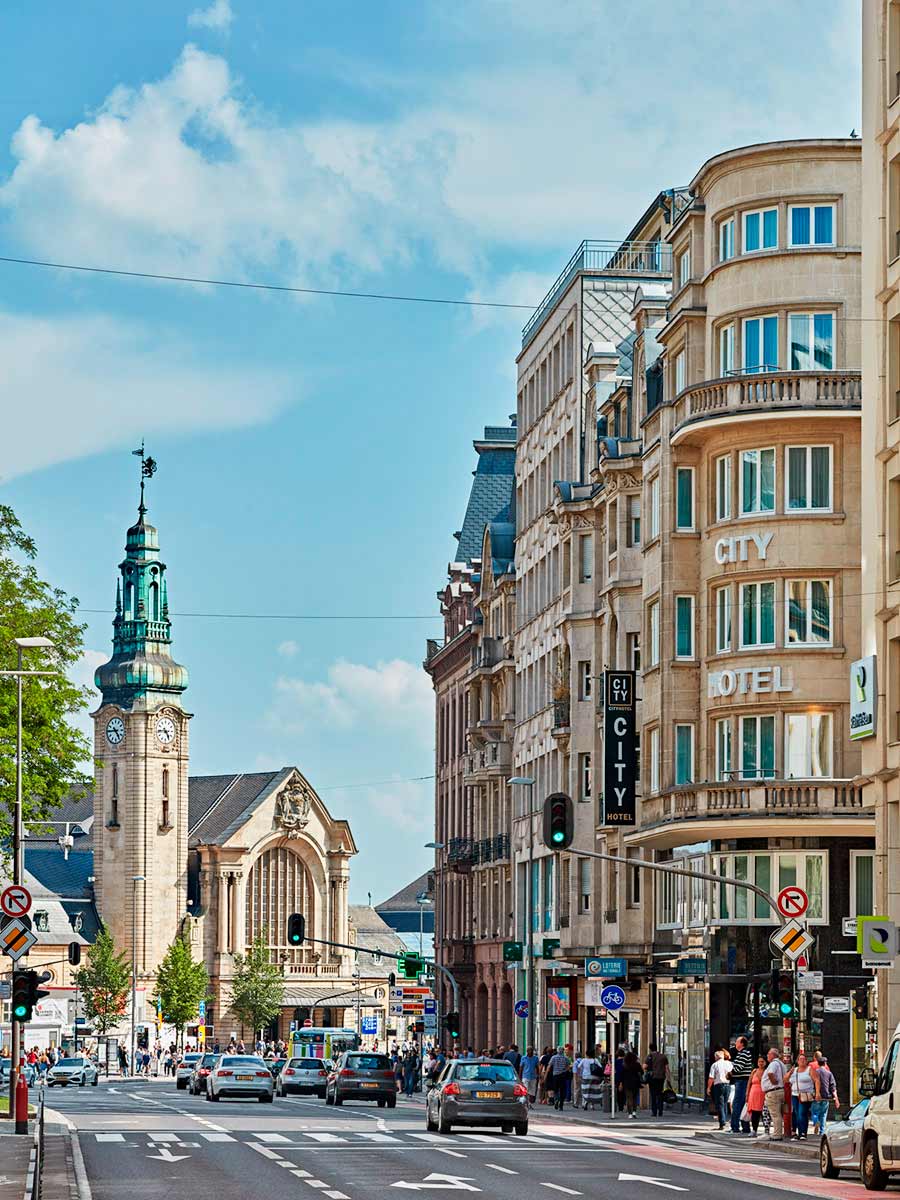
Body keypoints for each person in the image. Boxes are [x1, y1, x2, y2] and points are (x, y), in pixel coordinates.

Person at [787, 1053, 815, 1141]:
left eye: (804, 1059)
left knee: (802, 1113)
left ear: (806, 1061)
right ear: (797, 1061)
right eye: (800, 1059)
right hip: (795, 1094)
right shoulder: (794, 1070)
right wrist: (789, 1073)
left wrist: (817, 1093)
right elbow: (785, 1080)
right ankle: (798, 1133)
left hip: (805, 1095)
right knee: (796, 1113)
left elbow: (817, 1080)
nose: (802, 1061)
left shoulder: (810, 1069)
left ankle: (803, 1133)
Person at [729, 1036, 753, 1134]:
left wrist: (730, 1071)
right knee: (742, 1104)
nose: (735, 1043)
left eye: (737, 1042)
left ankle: (735, 1126)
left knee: (737, 1103)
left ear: (742, 1043)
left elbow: (738, 1068)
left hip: (742, 1081)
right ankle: (744, 1126)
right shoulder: (742, 1053)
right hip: (741, 1081)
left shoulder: (744, 1053)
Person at [761, 1047, 786, 1140]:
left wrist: (774, 1081)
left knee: (775, 1114)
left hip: (773, 1091)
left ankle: (777, 1134)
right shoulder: (781, 1064)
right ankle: (777, 1133)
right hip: (779, 1090)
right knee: (777, 1114)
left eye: (768, 1054)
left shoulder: (774, 1063)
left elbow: (770, 1073)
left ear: (773, 1055)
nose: (767, 1056)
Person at [707, 1049, 733, 1130]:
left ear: (716, 1057)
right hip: (728, 1084)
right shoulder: (730, 1064)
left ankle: (722, 1123)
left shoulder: (715, 1065)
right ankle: (724, 1120)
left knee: (720, 1104)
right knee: (724, 1103)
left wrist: (708, 1088)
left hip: (719, 1085)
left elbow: (711, 1078)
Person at [645, 1044, 669, 1118]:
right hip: (661, 1077)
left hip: (653, 1078)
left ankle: (654, 1112)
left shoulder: (649, 1056)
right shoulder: (663, 1056)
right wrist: (668, 1078)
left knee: (653, 1094)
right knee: (660, 1094)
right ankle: (660, 1111)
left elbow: (645, 1066)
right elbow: (667, 1068)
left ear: (650, 1049)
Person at [746, 1056, 767, 1137]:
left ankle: (766, 1130)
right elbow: (749, 1083)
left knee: (764, 1113)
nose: (761, 1063)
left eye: (762, 1061)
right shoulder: (754, 1071)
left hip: (763, 1094)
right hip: (753, 1094)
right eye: (759, 1062)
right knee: (754, 1113)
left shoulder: (766, 1071)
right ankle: (754, 1130)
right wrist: (747, 1094)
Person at [621, 1051, 643, 1119]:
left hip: (627, 1083)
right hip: (635, 1083)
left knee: (629, 1098)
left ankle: (630, 1114)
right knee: (634, 1098)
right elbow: (642, 1072)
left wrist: (621, 1083)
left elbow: (622, 1075)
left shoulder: (624, 1065)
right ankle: (634, 1112)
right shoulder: (637, 1064)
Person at [548, 1046, 570, 1111]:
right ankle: (561, 1105)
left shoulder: (553, 1057)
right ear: (563, 1051)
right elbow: (568, 1067)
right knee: (562, 1090)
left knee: (556, 1089)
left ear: (557, 1051)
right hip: (563, 1076)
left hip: (555, 1076)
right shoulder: (566, 1058)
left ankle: (556, 1099)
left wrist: (546, 1074)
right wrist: (564, 1070)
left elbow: (549, 1066)